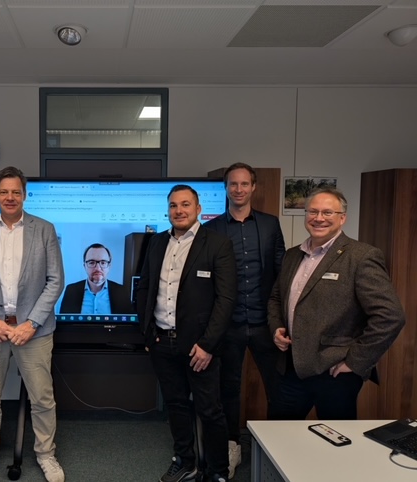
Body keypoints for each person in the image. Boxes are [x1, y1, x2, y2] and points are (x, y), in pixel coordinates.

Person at [0, 166, 65, 482]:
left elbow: (55, 280)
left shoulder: (44, 229)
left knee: (42, 398)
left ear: (24, 194)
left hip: (33, 332)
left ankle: (46, 455)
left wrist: (31, 323)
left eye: (16, 192)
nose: (10, 197)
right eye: (4, 192)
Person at [268, 187, 405, 420]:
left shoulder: (361, 256)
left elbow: (390, 316)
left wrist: (355, 362)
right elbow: (276, 299)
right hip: (291, 367)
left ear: (342, 218)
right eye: (313, 211)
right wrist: (276, 328)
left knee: (335, 443)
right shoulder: (292, 255)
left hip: (335, 372)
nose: (319, 218)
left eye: (327, 213)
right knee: (277, 436)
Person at [137, 184, 237, 482]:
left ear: (197, 209)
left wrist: (207, 345)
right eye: (173, 206)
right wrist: (147, 333)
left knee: (210, 410)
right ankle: (185, 462)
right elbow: (144, 288)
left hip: (200, 348)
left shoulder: (217, 244)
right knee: (177, 406)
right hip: (161, 343)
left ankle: (217, 470)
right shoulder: (156, 243)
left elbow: (226, 299)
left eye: (185, 205)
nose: (179, 211)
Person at [205, 163, 285, 478]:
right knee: (229, 389)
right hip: (230, 324)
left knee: (278, 387)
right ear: (226, 188)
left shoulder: (269, 225)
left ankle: (279, 445)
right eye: (233, 184)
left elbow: (281, 274)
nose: (238, 190)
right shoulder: (210, 229)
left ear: (254, 187)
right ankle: (232, 445)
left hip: (266, 322)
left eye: (244, 184)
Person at [59, 243, 134, 314]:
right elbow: (65, 325)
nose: (98, 268)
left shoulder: (121, 292)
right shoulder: (71, 291)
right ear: (84, 266)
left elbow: (127, 326)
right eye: (91, 262)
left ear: (109, 266)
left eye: (103, 262)